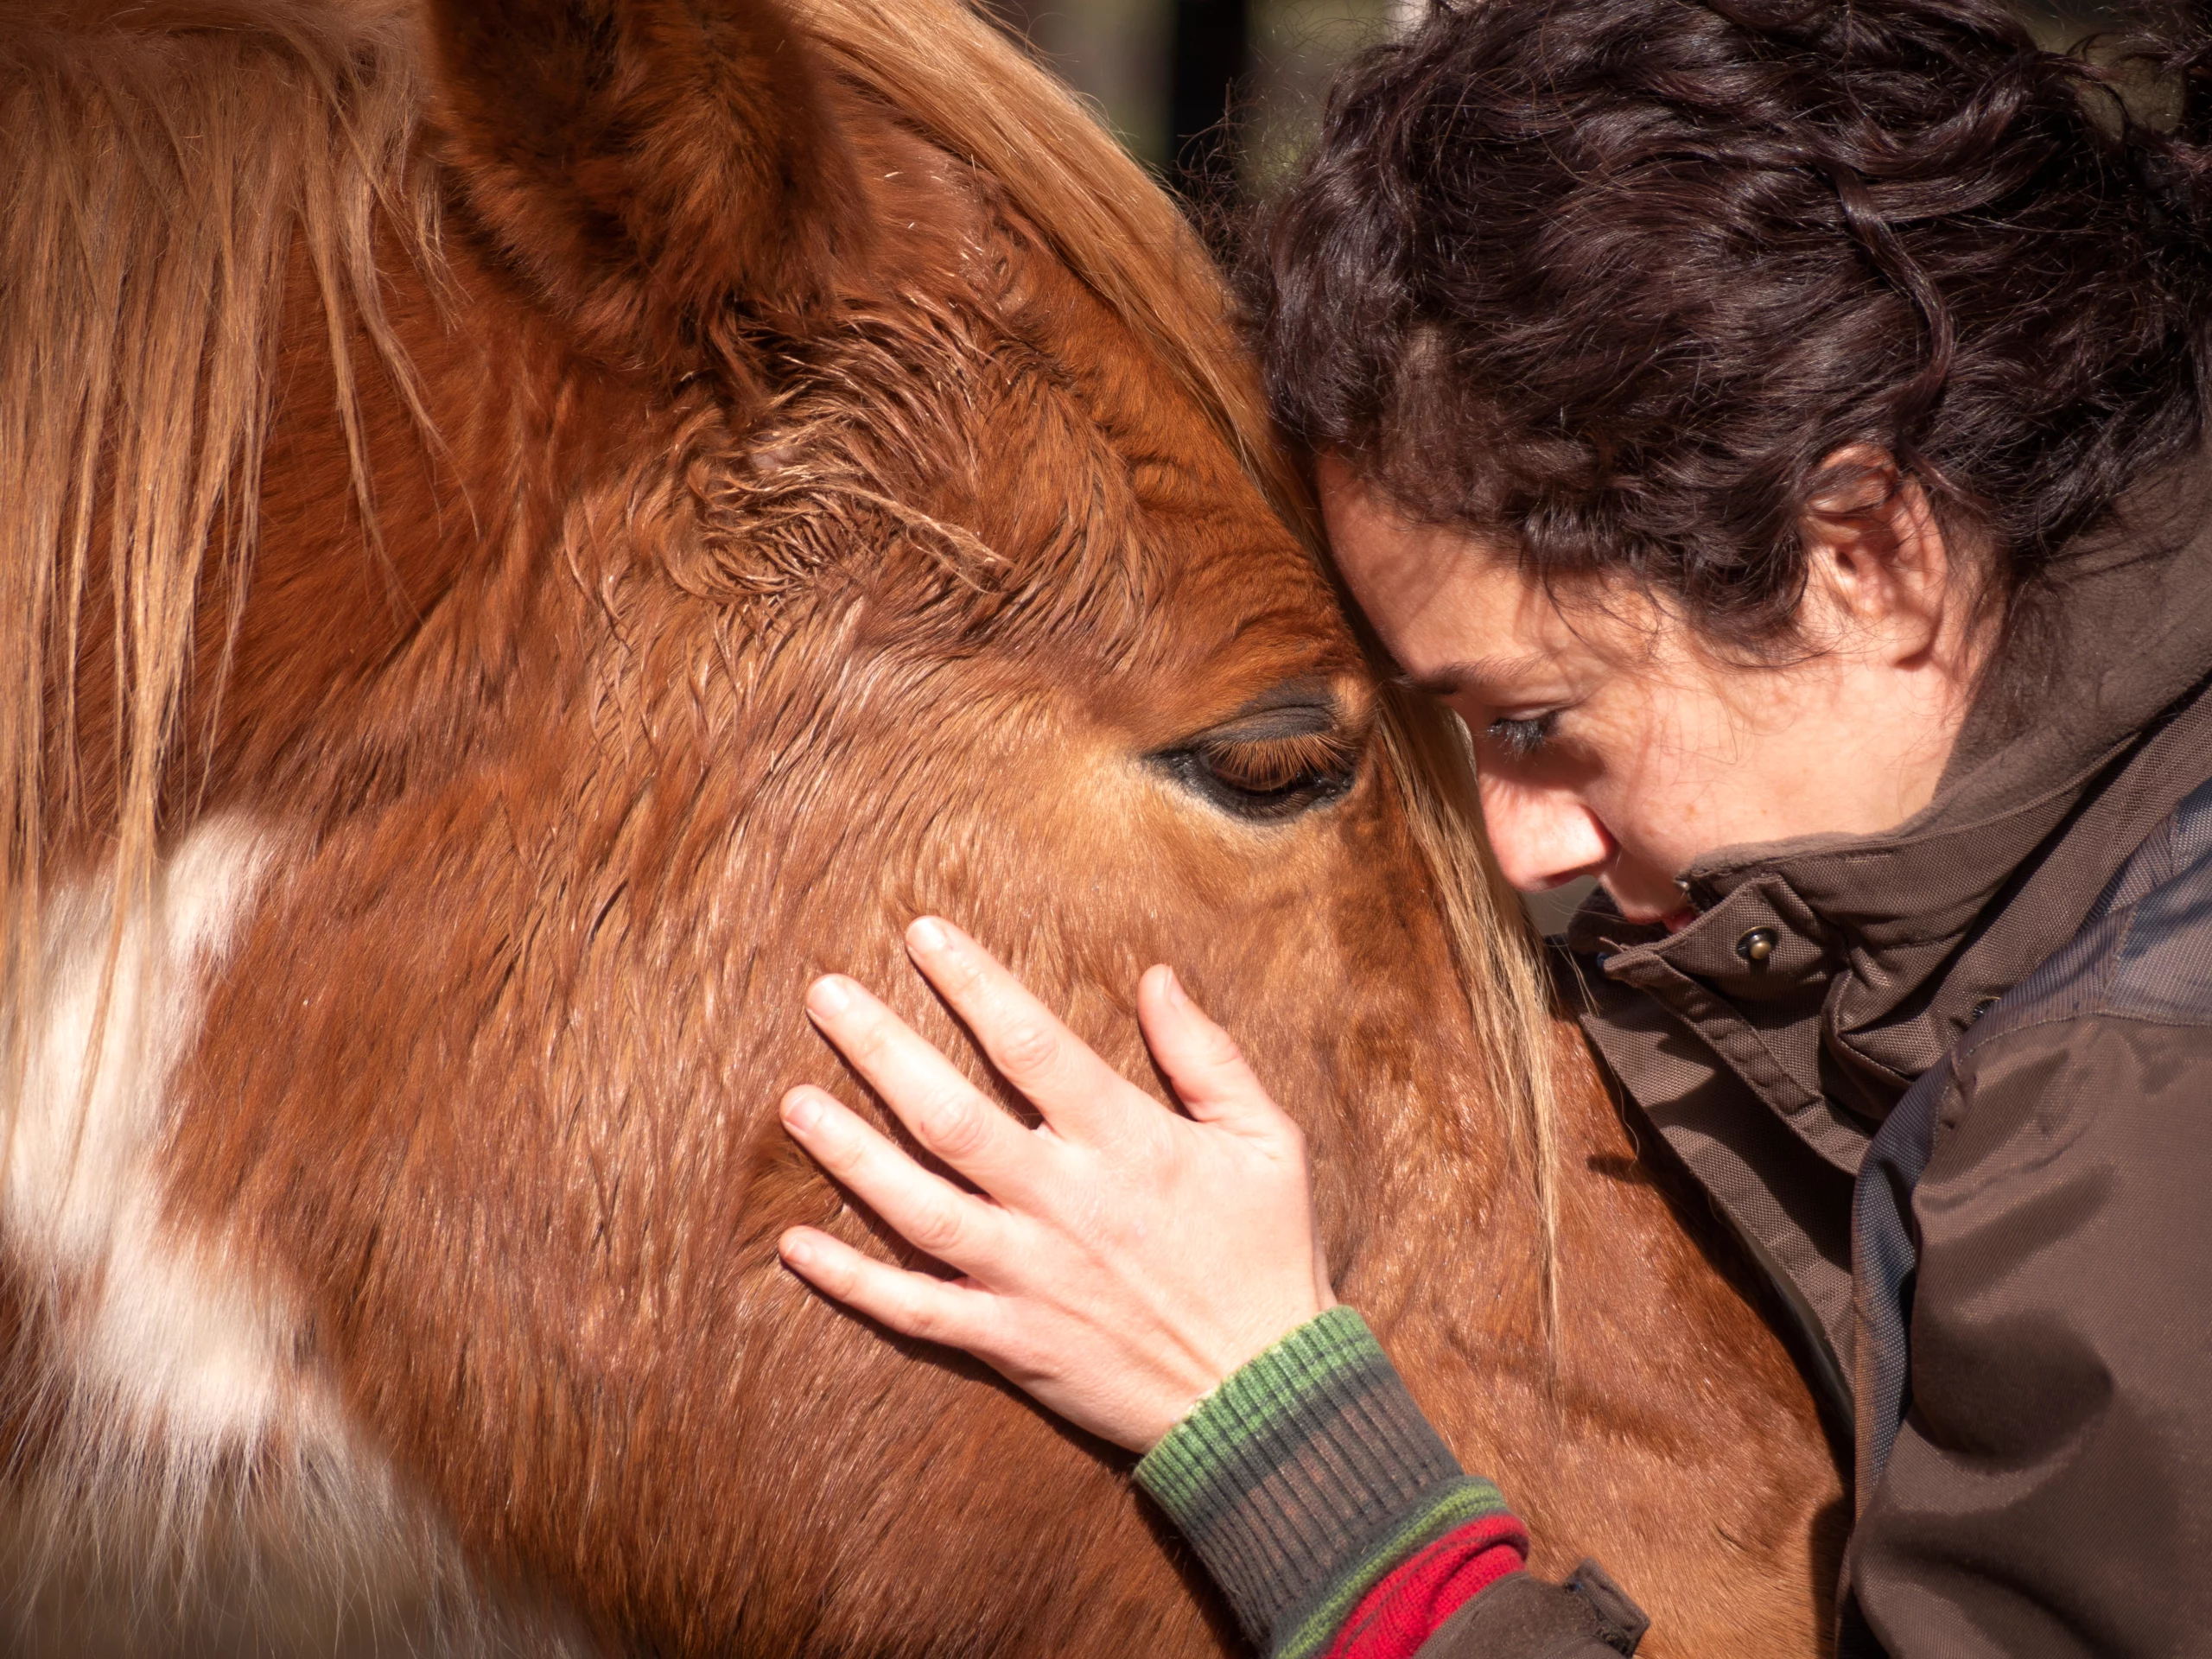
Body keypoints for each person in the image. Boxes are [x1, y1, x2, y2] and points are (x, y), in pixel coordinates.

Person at [771, 1, 2212, 1653]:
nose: (1526, 848)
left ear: (1866, 553)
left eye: (1536, 723)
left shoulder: (2135, 1113)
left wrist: (1281, 1442)